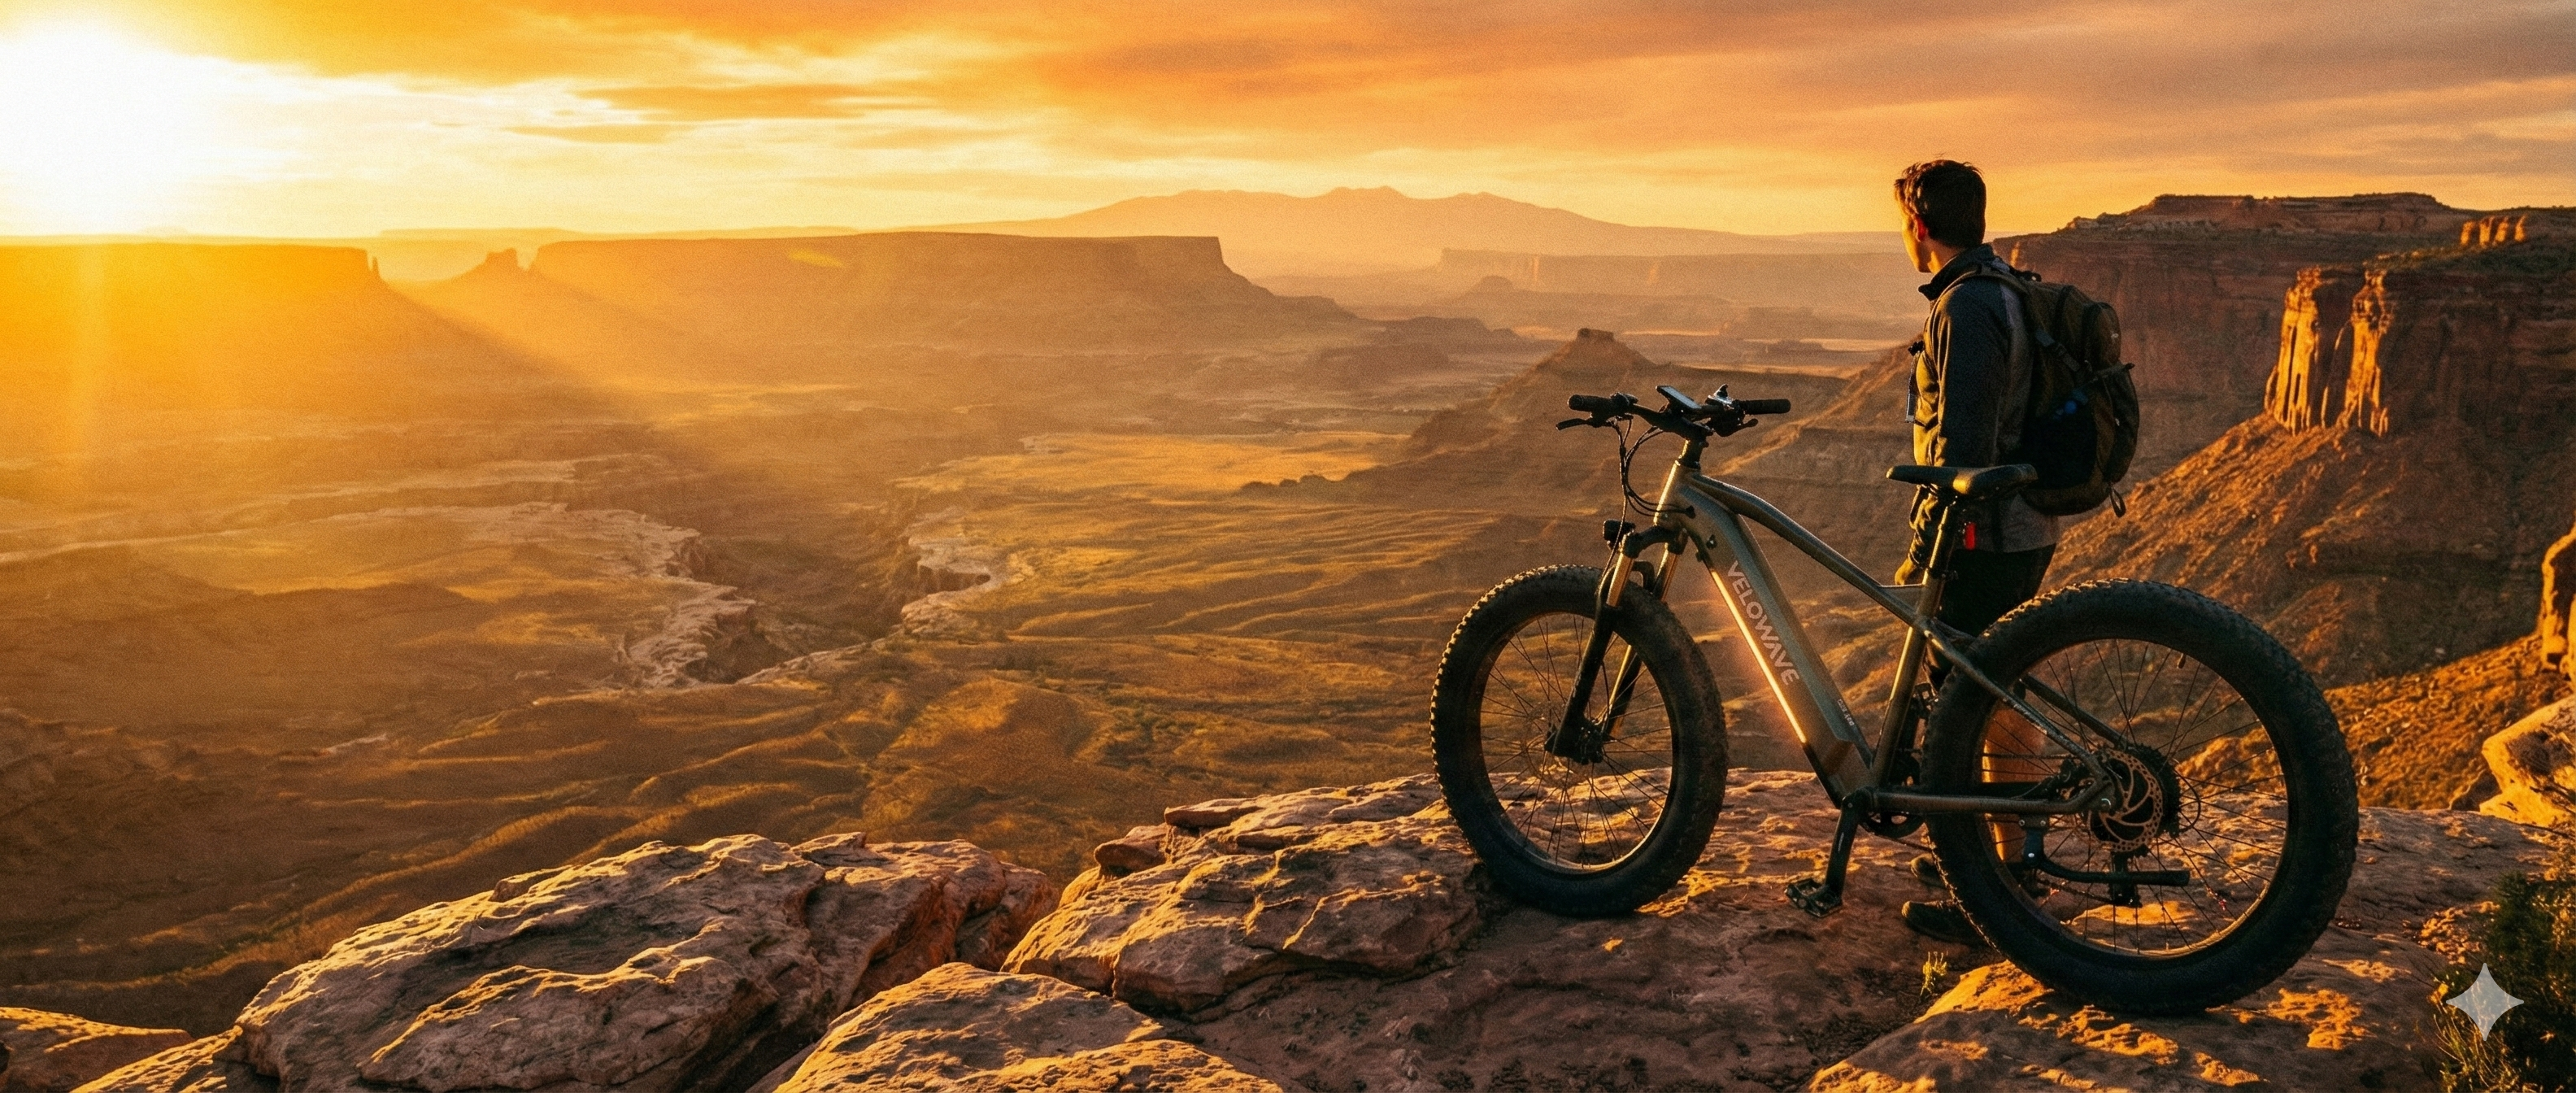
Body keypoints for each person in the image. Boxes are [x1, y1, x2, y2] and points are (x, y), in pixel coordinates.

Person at [1889, 159, 2058, 947]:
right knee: (1996, 696)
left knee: (1968, 704)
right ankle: (2001, 861)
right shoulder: (2001, 287)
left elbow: (1963, 451)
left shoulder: (1969, 305)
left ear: (1920, 226)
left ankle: (1988, 889)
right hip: (2019, 527)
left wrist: (1926, 548)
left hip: (1983, 535)